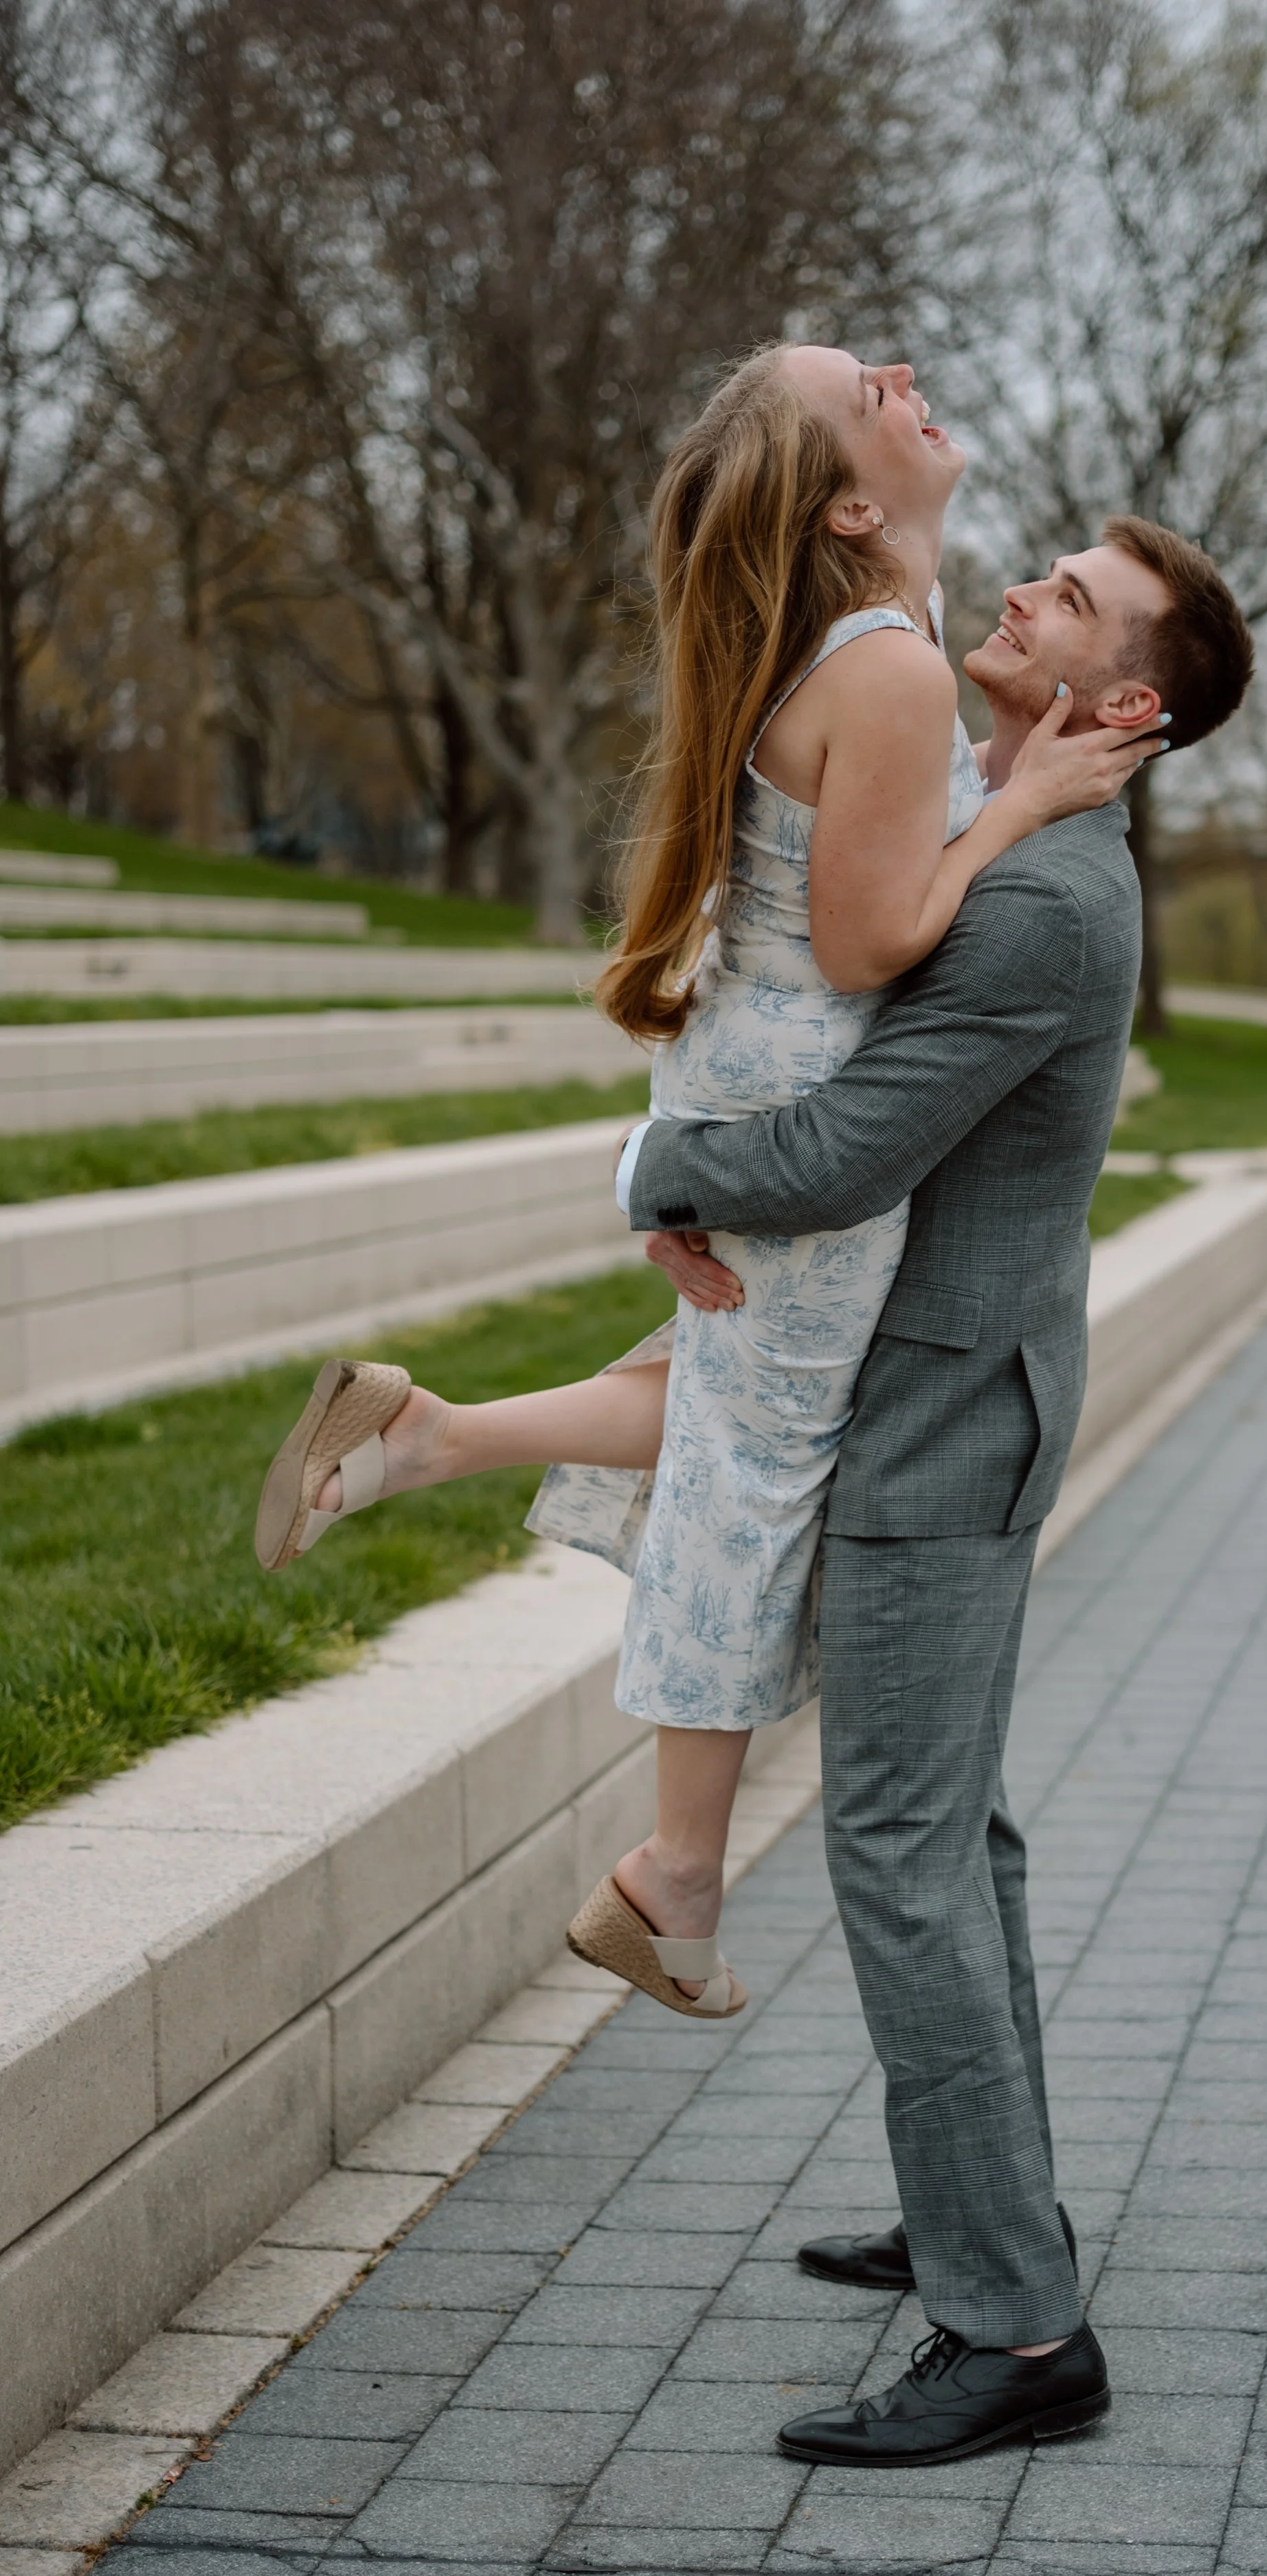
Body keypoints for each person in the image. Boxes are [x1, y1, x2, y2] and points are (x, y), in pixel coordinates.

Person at [251, 343, 1158, 2020]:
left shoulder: (860, 631)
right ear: (845, 499)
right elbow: (873, 936)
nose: (901, 371)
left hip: (744, 1060)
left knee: (733, 1398)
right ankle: (673, 1871)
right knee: (757, 1463)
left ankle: (426, 1437)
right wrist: (1020, 800)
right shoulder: (886, 666)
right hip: (802, 1086)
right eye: (861, 388)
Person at [621, 512, 1253, 2464]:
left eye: (1062, 599)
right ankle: (982, 2213)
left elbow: (838, 1152)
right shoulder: (1011, 820)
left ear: (1118, 697)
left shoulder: (1050, 895)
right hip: (946, 1397)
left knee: (896, 1851)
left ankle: (1015, 2328)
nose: (1013, 595)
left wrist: (656, 1167)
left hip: (937, 1420)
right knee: (950, 1839)